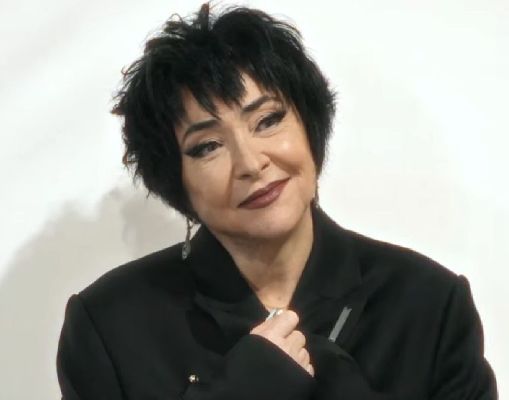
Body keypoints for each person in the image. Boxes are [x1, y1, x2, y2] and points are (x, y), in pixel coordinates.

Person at [56, 3, 497, 399]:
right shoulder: (110, 326)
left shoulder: (429, 303)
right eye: (208, 146)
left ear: (309, 124)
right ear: (176, 178)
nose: (251, 163)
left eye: (267, 120)